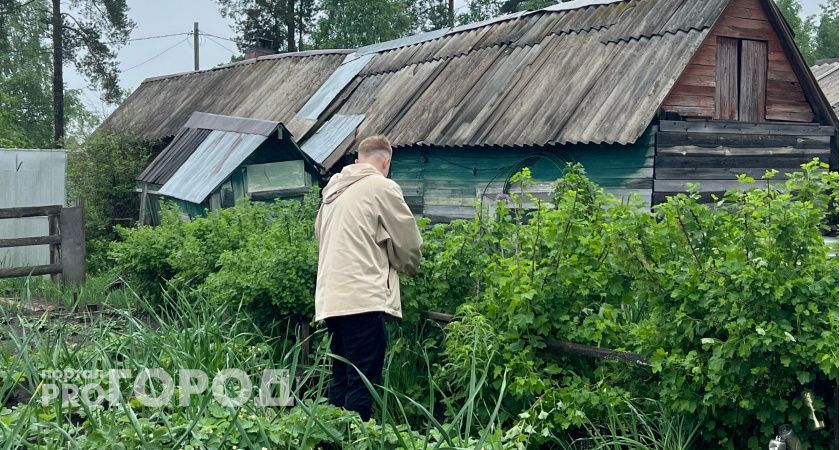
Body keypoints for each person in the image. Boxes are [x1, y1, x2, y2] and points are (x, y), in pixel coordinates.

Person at [314, 135, 423, 421]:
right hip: (362, 297)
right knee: (363, 380)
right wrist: (407, 266)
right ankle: (356, 437)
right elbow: (408, 240)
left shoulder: (332, 194)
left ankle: (331, 436)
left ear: (357, 161)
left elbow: (320, 237)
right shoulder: (381, 186)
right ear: (386, 162)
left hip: (331, 300)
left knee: (342, 375)